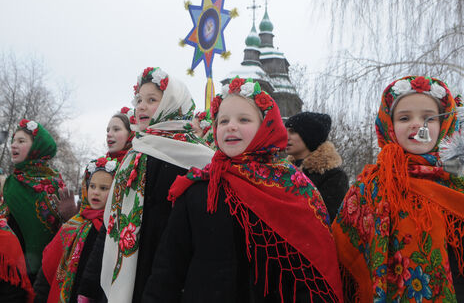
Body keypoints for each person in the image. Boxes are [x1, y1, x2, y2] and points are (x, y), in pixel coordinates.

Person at [142, 77, 343, 302]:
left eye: (244, 119)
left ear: (266, 127)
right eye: (224, 120)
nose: (231, 126)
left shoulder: (292, 187)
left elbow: (311, 268)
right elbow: (168, 268)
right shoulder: (199, 188)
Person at [79, 67, 214, 303]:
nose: (140, 106)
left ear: (173, 105)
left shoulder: (199, 159)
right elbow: (111, 225)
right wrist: (89, 285)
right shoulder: (135, 155)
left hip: (167, 283)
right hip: (124, 278)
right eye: (139, 99)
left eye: (151, 100)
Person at [332, 75, 464, 302]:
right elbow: (345, 254)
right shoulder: (368, 186)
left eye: (428, 118)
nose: (416, 124)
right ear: (389, 126)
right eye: (404, 118)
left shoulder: (458, 179)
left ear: (444, 125)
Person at [33, 157, 119, 303]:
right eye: (92, 186)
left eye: (103, 188)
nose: (95, 192)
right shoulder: (74, 224)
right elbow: (47, 270)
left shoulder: (115, 228)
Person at [1, 119, 64, 282]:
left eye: (21, 141)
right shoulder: (11, 183)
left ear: (37, 147)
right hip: (9, 270)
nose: (13, 145)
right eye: (13, 141)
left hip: (42, 273)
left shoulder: (53, 183)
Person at [285, 112, 348, 222]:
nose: (286, 136)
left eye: (293, 132)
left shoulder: (334, 176)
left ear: (309, 136)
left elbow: (326, 219)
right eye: (285, 131)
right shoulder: (281, 171)